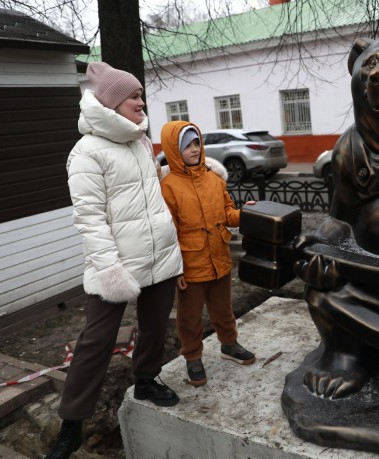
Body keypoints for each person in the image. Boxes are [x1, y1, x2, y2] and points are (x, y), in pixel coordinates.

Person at [45, 62, 184, 459]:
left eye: (141, 95)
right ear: (111, 102)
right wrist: (109, 269)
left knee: (155, 326)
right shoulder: (86, 151)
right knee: (96, 341)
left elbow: (150, 197)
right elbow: (88, 219)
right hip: (116, 265)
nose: (142, 102)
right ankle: (71, 425)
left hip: (158, 255)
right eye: (134, 96)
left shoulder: (140, 141)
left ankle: (146, 380)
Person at [159, 120, 255, 387]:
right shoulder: (169, 187)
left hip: (219, 258)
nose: (194, 149)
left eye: (197, 143)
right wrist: (176, 269)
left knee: (223, 310)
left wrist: (244, 213)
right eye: (186, 145)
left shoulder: (214, 179)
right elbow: (169, 233)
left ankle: (229, 344)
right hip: (190, 265)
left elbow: (227, 214)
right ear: (173, 150)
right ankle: (192, 356)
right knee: (190, 318)